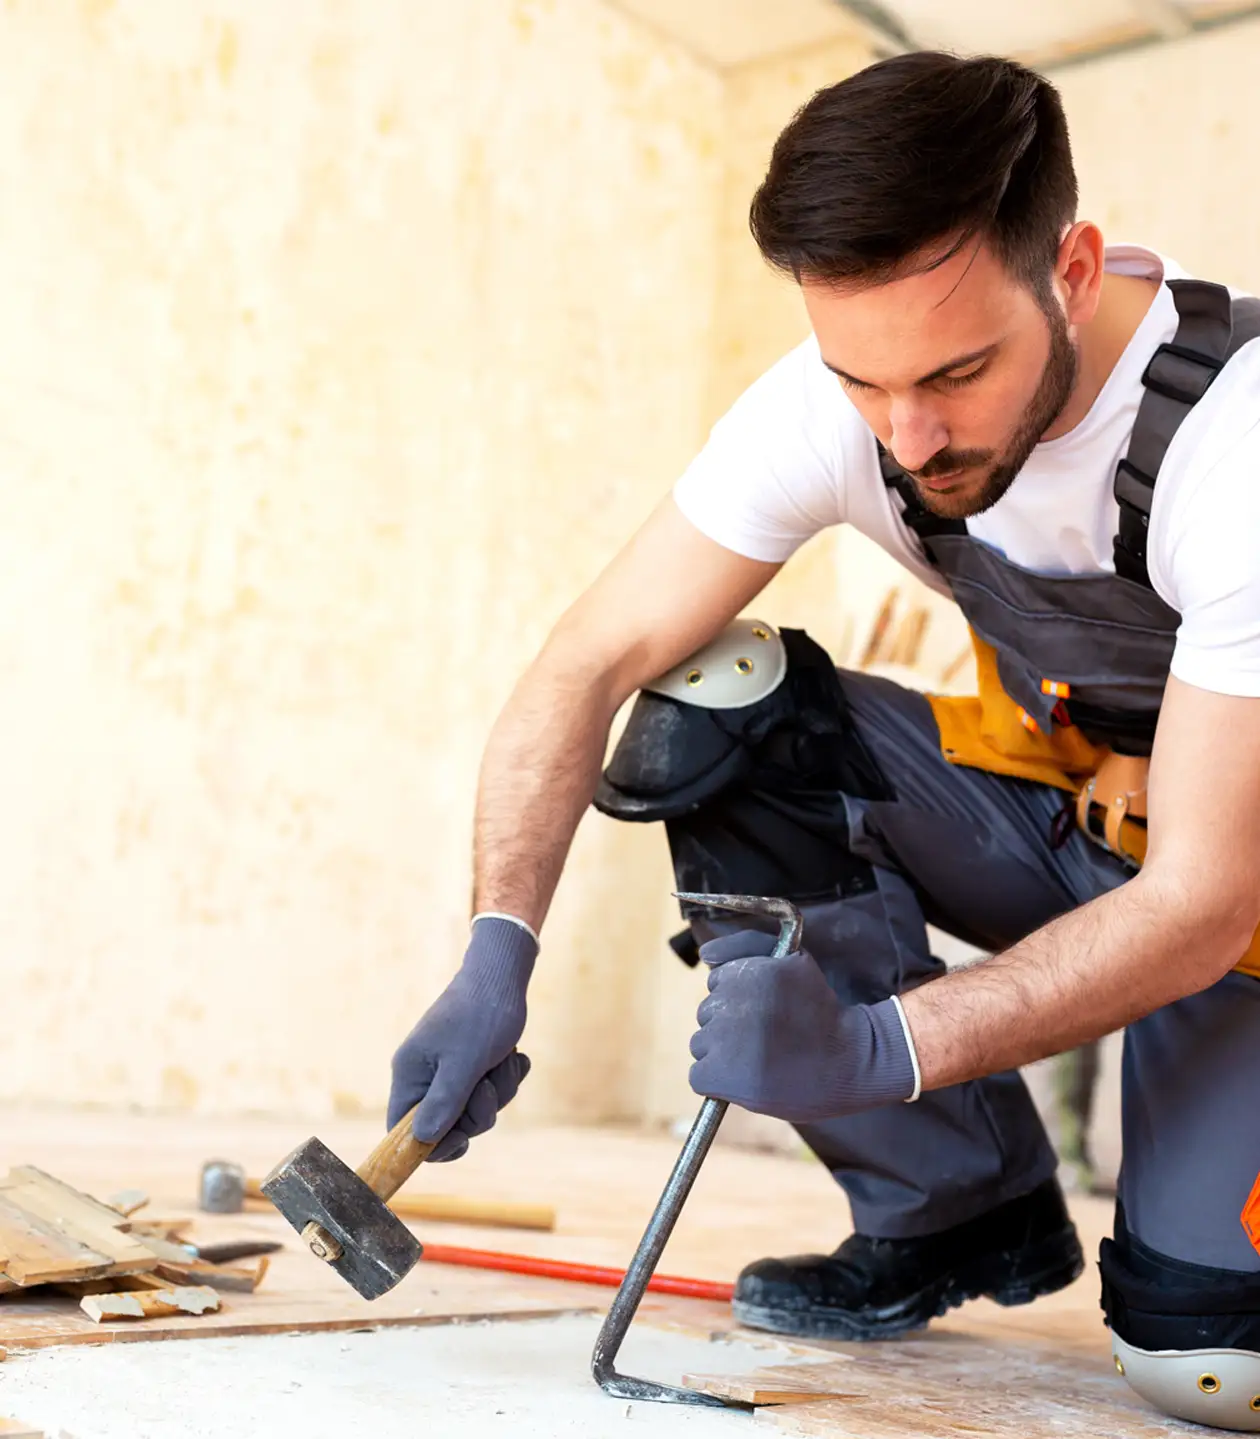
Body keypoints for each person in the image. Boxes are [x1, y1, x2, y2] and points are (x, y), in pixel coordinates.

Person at [386, 53, 1260, 1430]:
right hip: (1087, 821)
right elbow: (587, 658)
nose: (908, 437)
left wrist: (882, 1045)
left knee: (1210, 1368)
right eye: (863, 380)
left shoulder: (1237, 445)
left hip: (1238, 906)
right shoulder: (844, 404)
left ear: (1075, 269)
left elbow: (1208, 904)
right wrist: (500, 944)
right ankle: (951, 1204)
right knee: (708, 704)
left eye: (959, 373)